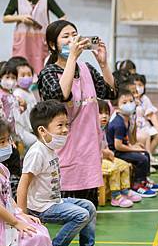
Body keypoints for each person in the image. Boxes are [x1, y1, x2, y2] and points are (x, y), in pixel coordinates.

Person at [17, 100, 112, 246]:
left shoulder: (50, 148)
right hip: (41, 207)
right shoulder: (37, 152)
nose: (65, 129)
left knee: (89, 207)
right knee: (81, 215)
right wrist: (22, 215)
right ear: (42, 130)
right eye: (60, 125)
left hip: (54, 201)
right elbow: (23, 184)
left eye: (66, 124)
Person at [38, 20, 117, 207]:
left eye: (74, 35)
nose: (72, 40)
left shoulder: (86, 69)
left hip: (89, 155)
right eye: (65, 37)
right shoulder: (48, 73)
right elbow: (61, 96)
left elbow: (111, 93)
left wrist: (104, 64)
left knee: (89, 213)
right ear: (52, 45)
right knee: (69, 215)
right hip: (64, 155)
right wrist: (72, 59)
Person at [0, 118, 59, 246]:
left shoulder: (3, 169)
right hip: (3, 224)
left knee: (38, 230)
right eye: (1, 142)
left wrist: (21, 215)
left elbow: (7, 199)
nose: (7, 145)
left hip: (9, 216)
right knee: (26, 239)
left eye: (7, 140)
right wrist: (16, 222)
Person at [2, 0, 66, 74]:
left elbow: (62, 16)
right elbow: (5, 18)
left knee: (42, 68)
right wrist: (21, 18)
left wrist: (52, 30)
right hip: (23, 40)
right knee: (20, 68)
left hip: (41, 40)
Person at [106, 90, 158, 197]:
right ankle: (136, 185)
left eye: (131, 101)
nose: (129, 104)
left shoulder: (127, 119)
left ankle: (143, 180)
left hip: (121, 149)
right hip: (115, 152)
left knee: (145, 154)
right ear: (117, 106)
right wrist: (134, 149)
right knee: (142, 158)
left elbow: (127, 139)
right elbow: (118, 145)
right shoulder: (118, 123)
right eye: (124, 103)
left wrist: (134, 145)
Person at [98, 99, 141, 208]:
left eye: (106, 113)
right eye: (100, 113)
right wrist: (105, 152)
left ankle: (125, 191)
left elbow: (105, 145)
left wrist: (108, 152)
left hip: (106, 158)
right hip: (97, 161)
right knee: (114, 168)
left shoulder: (103, 129)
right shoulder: (92, 130)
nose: (104, 116)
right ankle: (115, 196)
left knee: (124, 165)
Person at [12, 59, 38, 148]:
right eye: (22, 75)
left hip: (32, 128)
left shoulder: (30, 92)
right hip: (24, 131)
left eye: (29, 74)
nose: (26, 77)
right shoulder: (17, 94)